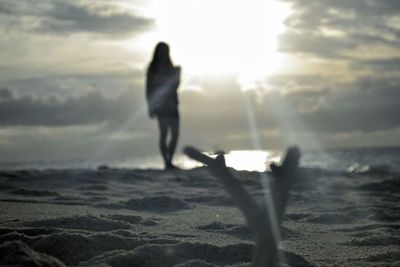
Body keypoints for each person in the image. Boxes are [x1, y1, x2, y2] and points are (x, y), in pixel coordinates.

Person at [146, 42, 181, 169]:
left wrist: (177, 73)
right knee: (164, 133)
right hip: (161, 105)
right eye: (163, 51)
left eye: (166, 51)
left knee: (175, 133)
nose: (165, 54)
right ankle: (166, 162)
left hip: (173, 104)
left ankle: (169, 160)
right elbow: (148, 88)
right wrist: (150, 106)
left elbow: (176, 85)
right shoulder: (152, 68)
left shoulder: (172, 68)